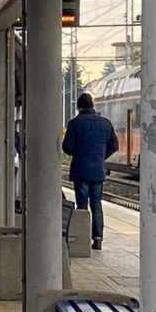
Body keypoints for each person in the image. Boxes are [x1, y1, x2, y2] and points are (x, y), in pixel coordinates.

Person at [62, 91, 118, 251]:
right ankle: (98, 239)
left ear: (79, 107)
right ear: (92, 106)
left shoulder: (74, 123)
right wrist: (101, 156)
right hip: (97, 171)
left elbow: (67, 147)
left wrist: (79, 152)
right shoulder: (105, 123)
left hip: (80, 170)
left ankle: (83, 239)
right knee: (96, 204)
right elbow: (114, 145)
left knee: (82, 205)